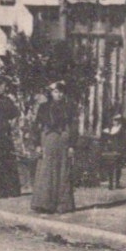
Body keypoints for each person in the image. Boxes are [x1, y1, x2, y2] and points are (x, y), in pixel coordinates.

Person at [30, 81, 76, 214]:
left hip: (63, 140)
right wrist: (37, 144)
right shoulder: (44, 107)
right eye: (56, 92)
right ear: (51, 93)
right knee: (46, 169)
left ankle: (62, 204)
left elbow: (73, 126)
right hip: (48, 139)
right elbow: (37, 126)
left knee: (62, 170)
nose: (59, 94)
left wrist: (72, 145)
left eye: (61, 92)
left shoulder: (69, 107)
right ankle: (44, 204)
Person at [100, 107, 126, 190]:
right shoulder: (107, 130)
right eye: (114, 120)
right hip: (110, 150)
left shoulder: (121, 128)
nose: (116, 122)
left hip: (119, 149)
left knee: (118, 167)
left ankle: (117, 183)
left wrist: (120, 116)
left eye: (117, 120)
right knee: (110, 167)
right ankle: (110, 184)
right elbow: (103, 140)